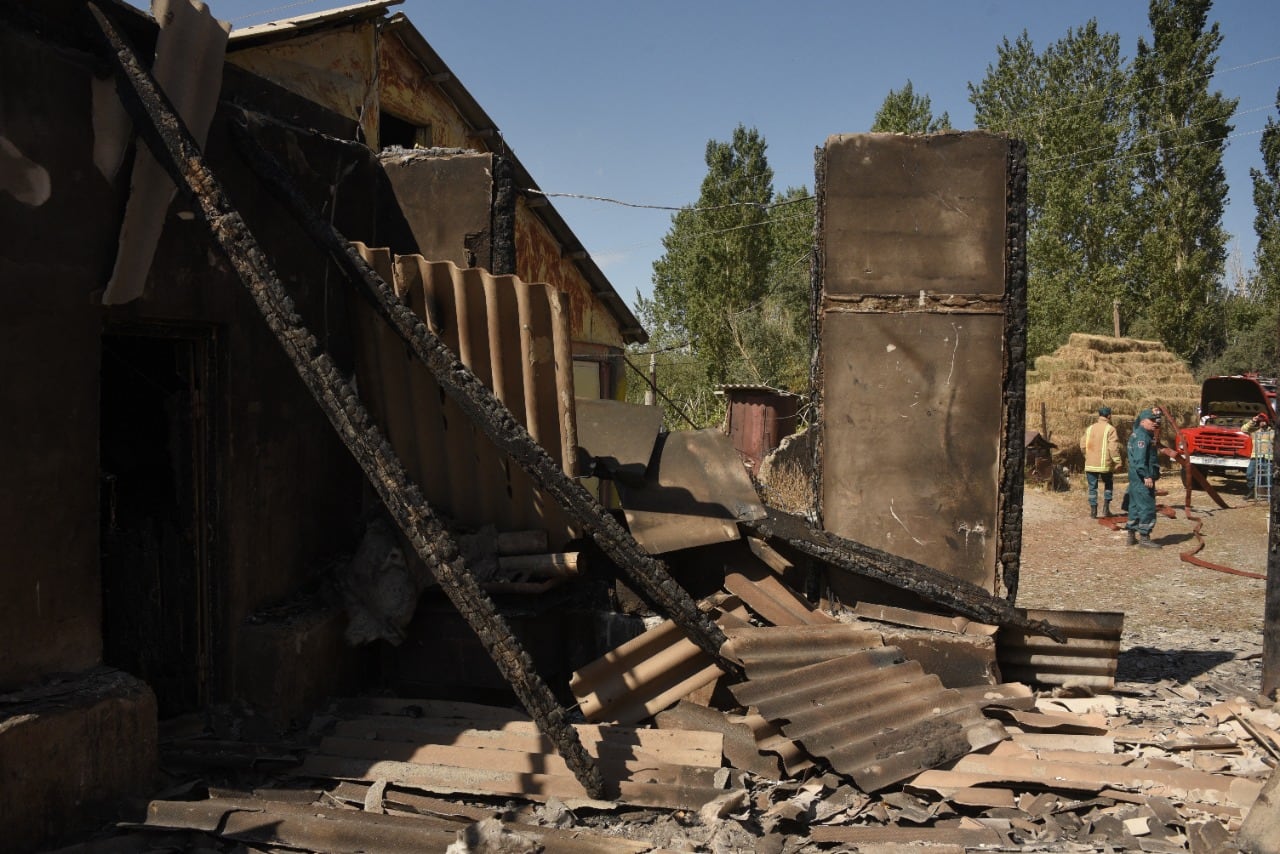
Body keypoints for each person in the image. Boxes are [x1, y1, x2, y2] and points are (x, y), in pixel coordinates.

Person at [1125, 409, 1163, 548]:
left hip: (1135, 478)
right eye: (1151, 421)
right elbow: (1140, 460)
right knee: (1147, 506)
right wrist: (1146, 475)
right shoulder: (1142, 437)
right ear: (1142, 422)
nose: (1155, 423)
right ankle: (1145, 538)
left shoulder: (1139, 434)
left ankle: (1131, 536)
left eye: (1155, 420)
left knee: (1134, 506)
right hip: (1142, 477)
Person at [1080, 406, 1122, 518]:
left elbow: (1082, 445)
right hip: (1105, 465)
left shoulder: (1090, 428)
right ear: (1109, 416)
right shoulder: (1110, 429)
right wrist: (1117, 461)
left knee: (1092, 488)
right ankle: (1106, 509)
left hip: (1090, 464)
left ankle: (1093, 511)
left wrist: (1087, 456)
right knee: (1108, 485)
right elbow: (1113, 447)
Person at [1242, 411, 1274, 501]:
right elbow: (1243, 429)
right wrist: (1252, 420)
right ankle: (1251, 491)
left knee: (1268, 477)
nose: (1261, 423)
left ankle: (1271, 495)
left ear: (1267, 422)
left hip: (1268, 458)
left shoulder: (1273, 432)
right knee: (1249, 474)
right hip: (1255, 457)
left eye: (1263, 421)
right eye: (1260, 421)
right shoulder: (1254, 432)